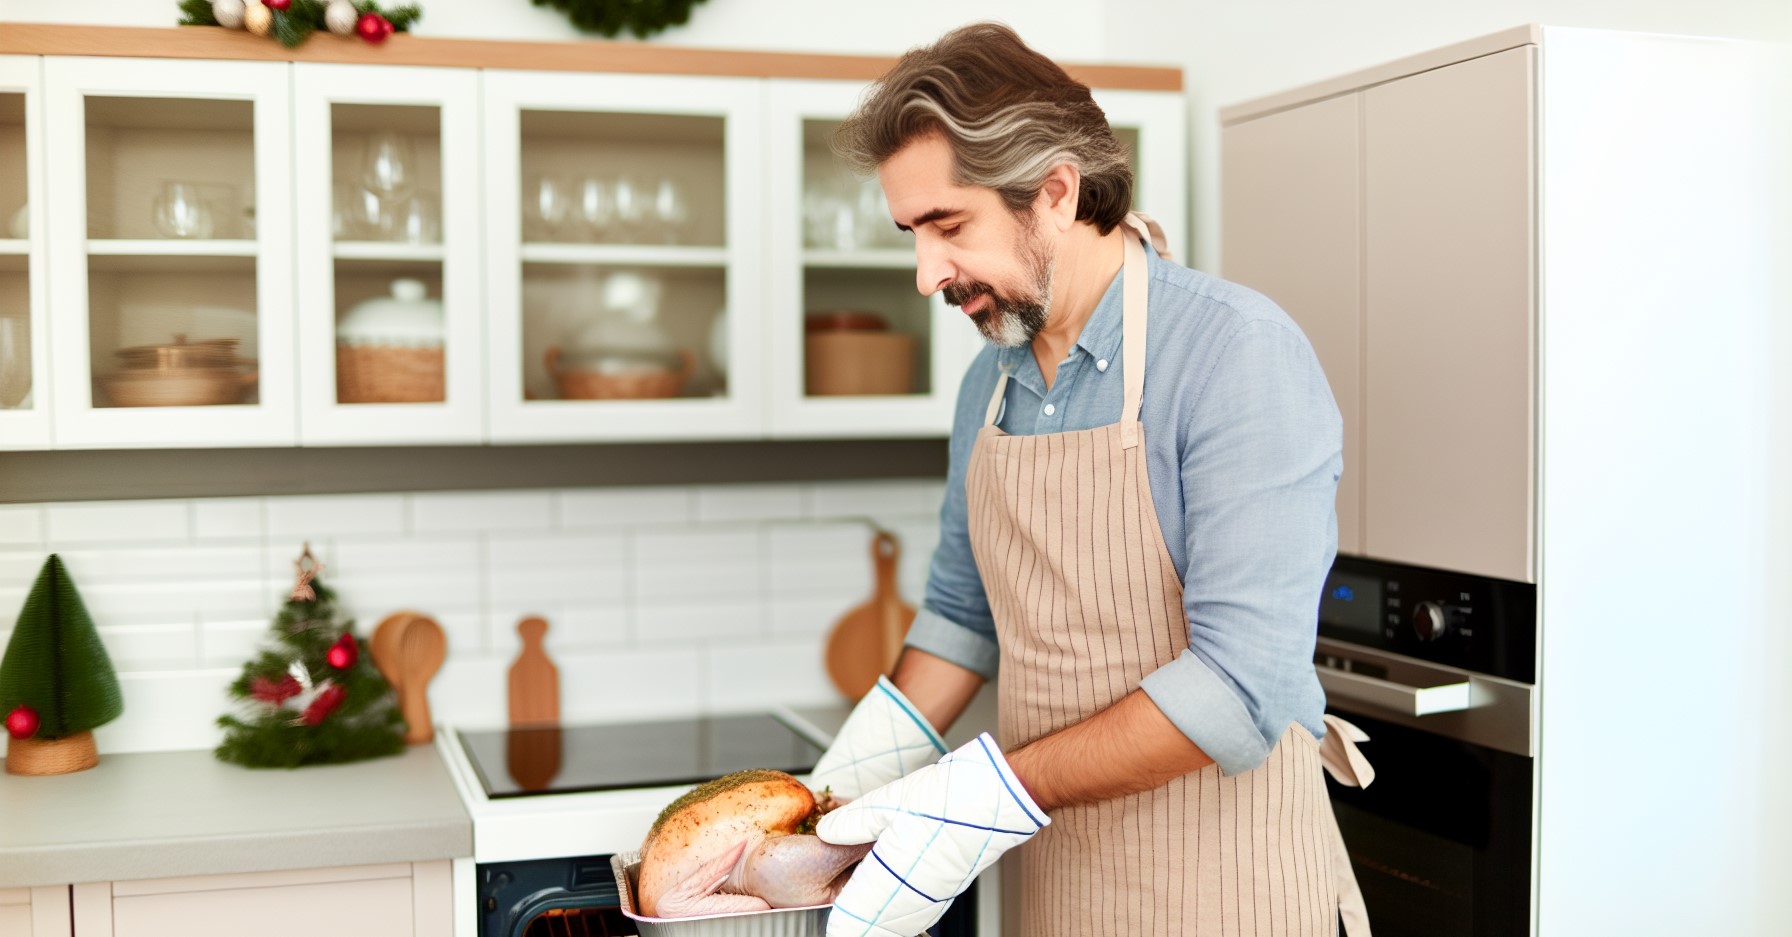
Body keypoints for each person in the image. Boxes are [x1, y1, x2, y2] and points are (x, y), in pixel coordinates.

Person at [805, 22, 1374, 937]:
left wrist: (987, 793)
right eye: (913, 234)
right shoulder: (988, 384)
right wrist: (826, 803)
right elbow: (962, 619)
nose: (925, 275)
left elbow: (1240, 684)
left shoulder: (1236, 355)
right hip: (1065, 893)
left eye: (949, 226)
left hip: (1234, 898)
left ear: (1056, 192)